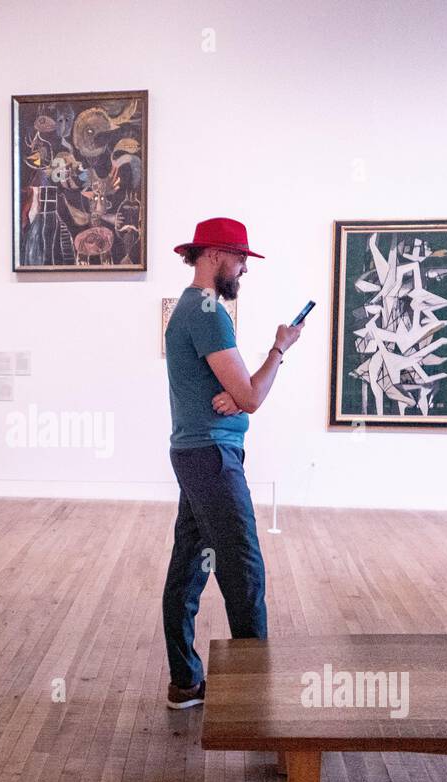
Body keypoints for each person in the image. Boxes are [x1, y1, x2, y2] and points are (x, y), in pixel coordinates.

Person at [161, 217, 302, 709]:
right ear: (216, 255)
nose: (244, 268)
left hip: (195, 452)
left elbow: (231, 391)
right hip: (213, 459)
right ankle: (251, 698)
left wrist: (229, 396)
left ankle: (185, 682)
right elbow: (252, 395)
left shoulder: (189, 308)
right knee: (243, 571)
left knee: (188, 570)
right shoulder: (207, 311)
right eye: (241, 258)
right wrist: (280, 348)